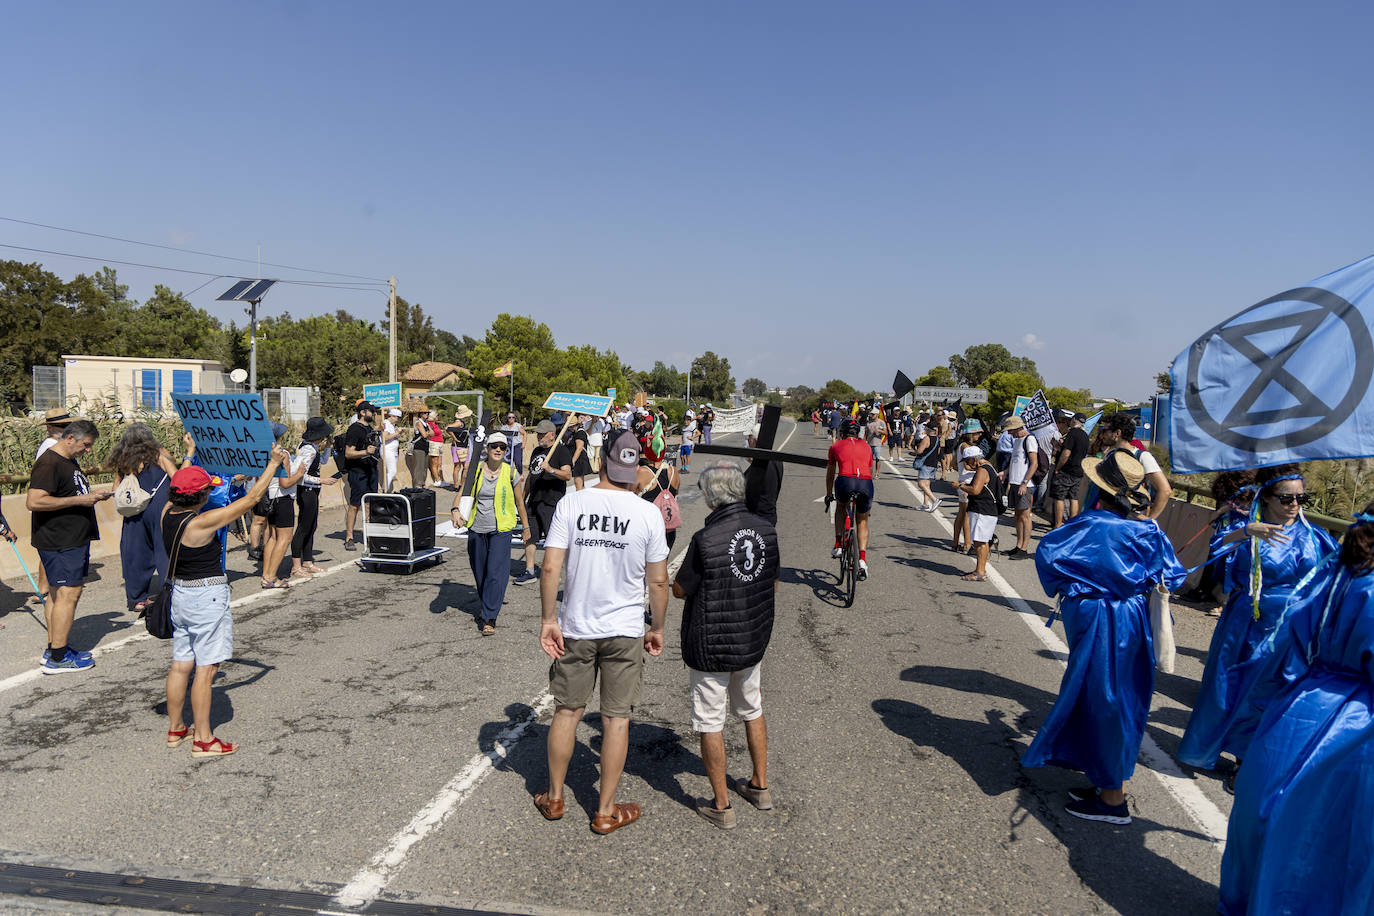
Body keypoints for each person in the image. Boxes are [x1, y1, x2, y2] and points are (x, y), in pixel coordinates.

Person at [1213, 506, 1374, 915]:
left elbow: (1287, 643)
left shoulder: (1332, 571)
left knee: (1271, 815)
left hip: (1301, 702)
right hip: (1359, 721)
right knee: (1334, 835)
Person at [1022, 449, 1186, 824]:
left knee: (1107, 697)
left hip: (1097, 617)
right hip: (1131, 617)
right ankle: (1104, 780)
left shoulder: (1091, 524)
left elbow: (1048, 554)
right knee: (1116, 694)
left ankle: (1113, 797)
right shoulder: (1147, 529)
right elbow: (1172, 576)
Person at [533, 429, 670, 834]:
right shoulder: (646, 512)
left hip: (577, 625)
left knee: (567, 711)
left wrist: (547, 620)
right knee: (616, 720)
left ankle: (555, 797)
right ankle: (605, 809)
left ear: (601, 461)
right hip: (624, 630)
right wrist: (658, 627)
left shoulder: (573, 503)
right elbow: (659, 582)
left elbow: (550, 566)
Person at [1176, 465, 1337, 785]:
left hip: (1295, 631)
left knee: (1274, 694)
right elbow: (1218, 547)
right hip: (1247, 625)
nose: (1295, 504)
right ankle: (1229, 754)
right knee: (1234, 692)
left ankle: (1246, 763)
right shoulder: (1247, 529)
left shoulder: (1316, 537)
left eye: (1301, 497)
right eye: (1286, 498)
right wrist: (1247, 531)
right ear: (1266, 497)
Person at [672, 462, 780, 829]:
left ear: (710, 496)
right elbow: (773, 582)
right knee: (752, 708)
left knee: (710, 720)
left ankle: (722, 805)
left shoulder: (706, 538)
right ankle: (760, 785)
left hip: (712, 642)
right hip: (751, 635)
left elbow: (681, 588)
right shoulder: (767, 530)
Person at [162, 449, 289, 757]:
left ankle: (177, 727)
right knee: (206, 670)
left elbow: (174, 473)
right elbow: (251, 499)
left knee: (181, 664)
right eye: (207, 489)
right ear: (200, 496)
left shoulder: (167, 511)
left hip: (180, 594)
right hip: (206, 596)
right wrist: (272, 463)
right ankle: (204, 739)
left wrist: (188, 455)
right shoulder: (201, 523)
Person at [26, 419, 110, 673]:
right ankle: (59, 658)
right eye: (86, 445)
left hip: (69, 538)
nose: (88, 450)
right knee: (68, 594)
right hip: (60, 540)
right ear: (70, 438)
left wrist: (91, 496)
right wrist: (81, 499)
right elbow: (34, 501)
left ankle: (55, 647)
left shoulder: (67, 461)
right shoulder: (49, 463)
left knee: (57, 594)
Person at [451, 433, 531, 635]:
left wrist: (526, 528)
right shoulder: (474, 470)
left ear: (506, 451)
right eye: (494, 446)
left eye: (502, 447)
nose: (498, 450)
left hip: (500, 530)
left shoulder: (510, 472)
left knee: (496, 574)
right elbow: (461, 493)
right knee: (481, 573)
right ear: (486, 448)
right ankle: (487, 603)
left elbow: (519, 502)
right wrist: (455, 510)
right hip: (476, 528)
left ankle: (489, 618)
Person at [109, 422, 179, 613]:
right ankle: (171, 592)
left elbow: (116, 490)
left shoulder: (123, 459)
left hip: (135, 509)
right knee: (164, 549)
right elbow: (176, 477)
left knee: (134, 552)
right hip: (160, 506)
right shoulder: (159, 453)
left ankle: (137, 599)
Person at [515, 419, 571, 586]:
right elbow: (531, 475)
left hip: (551, 501)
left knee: (553, 540)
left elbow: (567, 475)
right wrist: (523, 498)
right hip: (534, 500)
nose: (539, 436)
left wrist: (551, 470)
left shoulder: (562, 451)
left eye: (542, 434)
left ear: (552, 435)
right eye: (538, 433)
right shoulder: (537, 450)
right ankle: (530, 571)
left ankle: (553, 571)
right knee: (529, 536)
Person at [825, 417, 875, 580]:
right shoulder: (867, 446)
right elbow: (869, 469)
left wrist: (828, 494)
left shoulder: (835, 446)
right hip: (866, 483)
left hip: (845, 480)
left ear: (842, 432)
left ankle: (839, 545)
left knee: (840, 508)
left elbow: (831, 473)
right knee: (862, 520)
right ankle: (862, 560)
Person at [1095, 414, 1172, 519]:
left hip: (1128, 519)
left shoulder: (1143, 457)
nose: (1101, 435)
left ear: (1117, 433)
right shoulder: (1110, 454)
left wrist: (1150, 520)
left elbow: (1165, 490)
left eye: (1104, 431)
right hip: (1106, 515)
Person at [260, 422, 307, 589]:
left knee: (273, 537)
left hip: (271, 498)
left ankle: (266, 575)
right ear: (278, 436)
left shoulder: (263, 452)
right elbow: (285, 483)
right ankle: (271, 577)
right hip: (284, 499)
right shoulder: (282, 454)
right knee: (285, 538)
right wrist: (300, 473)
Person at [290, 417, 336, 580]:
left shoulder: (312, 447)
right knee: (304, 526)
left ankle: (307, 561)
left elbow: (322, 460)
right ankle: (297, 565)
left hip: (312, 491)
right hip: (307, 491)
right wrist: (322, 480)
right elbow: (301, 476)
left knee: (311, 525)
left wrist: (328, 447)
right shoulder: (308, 450)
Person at [954, 446, 1002, 581]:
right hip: (988, 509)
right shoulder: (989, 467)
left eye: (968, 461)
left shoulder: (982, 470)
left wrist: (960, 486)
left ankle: (980, 572)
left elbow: (975, 490)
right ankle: (980, 570)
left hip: (982, 510)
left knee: (980, 542)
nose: (966, 464)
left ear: (974, 459)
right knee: (983, 541)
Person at [999, 416, 1040, 560]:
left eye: (1011, 430)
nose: (1009, 434)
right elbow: (1014, 461)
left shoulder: (1030, 440)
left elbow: (1034, 463)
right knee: (1018, 516)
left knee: (1025, 516)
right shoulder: (1017, 441)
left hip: (1025, 484)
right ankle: (1018, 546)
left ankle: (1024, 548)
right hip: (1015, 482)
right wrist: (1005, 472)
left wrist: (1025, 482)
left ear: (1018, 428)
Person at [342, 403, 380, 551]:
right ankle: (349, 537)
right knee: (355, 505)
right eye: (372, 411)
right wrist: (365, 452)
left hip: (371, 470)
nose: (374, 414)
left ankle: (370, 535)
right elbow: (348, 453)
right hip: (358, 472)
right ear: (363, 412)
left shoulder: (369, 429)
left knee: (370, 504)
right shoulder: (354, 429)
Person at [637, 436, 683, 549]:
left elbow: (631, 497)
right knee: (662, 564)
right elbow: (675, 492)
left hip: (647, 527)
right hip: (667, 526)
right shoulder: (674, 471)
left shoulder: (641, 472)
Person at [1049, 412, 1090, 529]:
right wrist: (1058, 445)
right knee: (1073, 498)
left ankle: (1057, 525)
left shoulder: (1072, 433)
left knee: (1059, 497)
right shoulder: (1085, 435)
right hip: (1078, 470)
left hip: (1066, 470)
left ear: (1073, 420)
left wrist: (1057, 468)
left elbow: (1066, 453)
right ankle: (1072, 525)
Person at [910, 415, 941, 512]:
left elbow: (920, 451)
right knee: (927, 484)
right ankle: (925, 504)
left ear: (928, 429)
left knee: (921, 483)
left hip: (926, 463)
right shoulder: (937, 439)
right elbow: (939, 452)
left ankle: (935, 500)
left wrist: (914, 450)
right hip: (933, 463)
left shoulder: (926, 439)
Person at [446, 405, 473, 490]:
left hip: (460, 446)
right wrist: (454, 438)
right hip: (460, 446)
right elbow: (447, 428)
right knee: (463, 467)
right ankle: (459, 485)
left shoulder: (460, 422)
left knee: (459, 466)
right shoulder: (459, 423)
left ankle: (457, 485)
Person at [563, 413, 592, 490]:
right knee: (579, 482)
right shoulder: (573, 433)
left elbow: (579, 448)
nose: (570, 428)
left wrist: (572, 461)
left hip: (579, 460)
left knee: (578, 482)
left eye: (572, 426)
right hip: (576, 458)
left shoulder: (580, 433)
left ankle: (580, 498)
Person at [419, 409, 444, 488]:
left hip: (439, 444)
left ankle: (441, 479)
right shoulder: (429, 424)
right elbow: (430, 433)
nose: (438, 417)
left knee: (439, 463)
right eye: (436, 416)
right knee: (434, 462)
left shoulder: (435, 424)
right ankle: (436, 480)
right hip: (434, 443)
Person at [381, 408, 402, 493]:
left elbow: (392, 437)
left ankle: (386, 488)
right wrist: (397, 433)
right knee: (392, 471)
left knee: (391, 471)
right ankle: (384, 489)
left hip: (393, 450)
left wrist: (398, 433)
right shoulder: (386, 423)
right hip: (387, 450)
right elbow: (385, 437)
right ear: (392, 416)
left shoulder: (391, 425)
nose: (398, 420)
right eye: (397, 418)